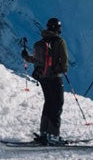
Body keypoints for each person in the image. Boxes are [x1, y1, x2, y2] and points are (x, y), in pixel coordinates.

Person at [23, 15, 70, 144]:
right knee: (57, 104)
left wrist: (26, 57)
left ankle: (44, 132)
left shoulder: (39, 43)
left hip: (43, 78)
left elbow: (36, 60)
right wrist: (60, 70)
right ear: (58, 29)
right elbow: (65, 64)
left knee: (48, 103)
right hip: (55, 78)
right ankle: (53, 135)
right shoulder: (60, 42)